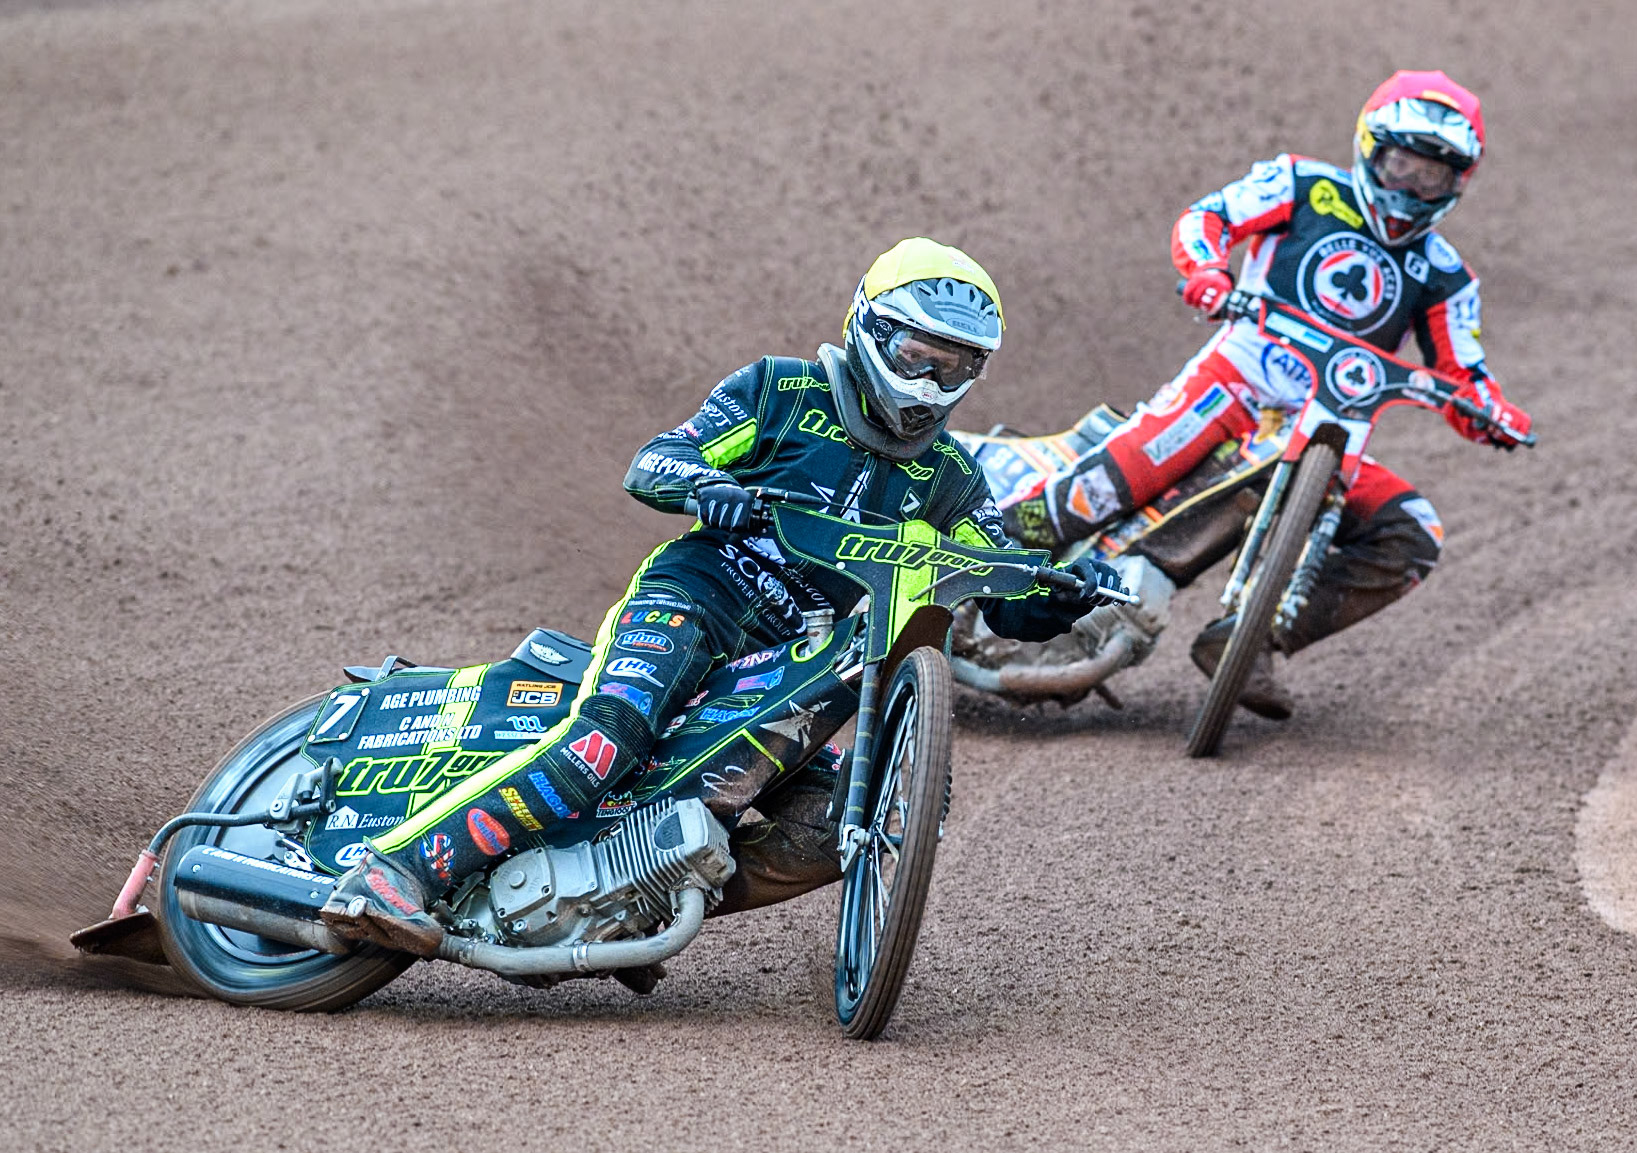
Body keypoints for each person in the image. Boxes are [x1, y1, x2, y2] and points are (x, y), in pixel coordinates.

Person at [321, 237, 1125, 956]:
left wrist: (1062, 600)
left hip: (787, 651)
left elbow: (1004, 580)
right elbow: (656, 460)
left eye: (953, 367)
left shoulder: (949, 477)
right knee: (607, 742)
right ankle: (393, 874)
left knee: (862, 798)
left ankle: (628, 899)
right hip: (694, 596)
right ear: (870, 331)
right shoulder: (779, 393)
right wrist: (710, 486)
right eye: (917, 353)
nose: (928, 381)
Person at [999, 71, 1531, 721]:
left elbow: (1464, 372)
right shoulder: (1302, 183)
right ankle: (969, 566)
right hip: (1237, 383)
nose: (1412, 190)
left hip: (1332, 430)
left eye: (1432, 178)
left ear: (1457, 184)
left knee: (1413, 529)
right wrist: (1206, 271)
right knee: (1095, 493)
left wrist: (1491, 412)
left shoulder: (1446, 275)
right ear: (1370, 148)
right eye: (1402, 166)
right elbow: (1209, 219)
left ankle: (1252, 639)